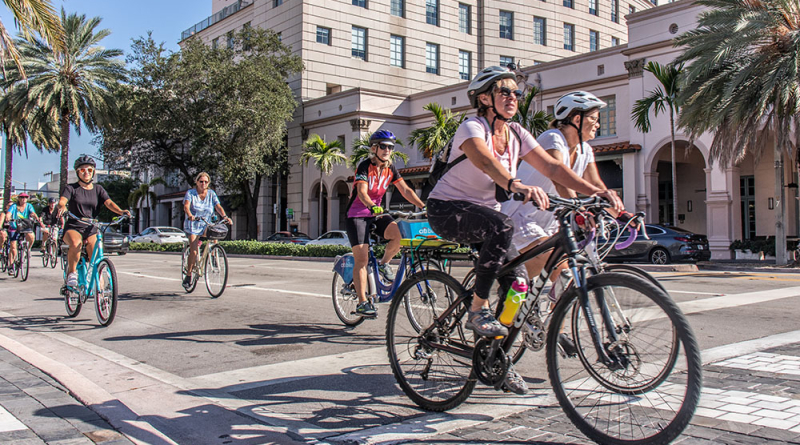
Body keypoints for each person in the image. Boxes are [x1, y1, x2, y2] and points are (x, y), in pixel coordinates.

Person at [426, 66, 622, 394]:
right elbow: (486, 162)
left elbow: (553, 166)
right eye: (504, 92)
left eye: (515, 92)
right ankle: (477, 309)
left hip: (486, 216)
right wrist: (515, 184)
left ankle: (495, 357)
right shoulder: (472, 127)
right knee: (502, 226)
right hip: (446, 210)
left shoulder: (517, 132)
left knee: (518, 285)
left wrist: (597, 192)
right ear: (484, 98)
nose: (513, 97)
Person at [501, 91, 635, 355]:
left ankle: (554, 330)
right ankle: (511, 314)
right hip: (520, 218)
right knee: (548, 271)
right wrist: (579, 210)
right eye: (594, 119)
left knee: (568, 276)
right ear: (575, 118)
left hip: (548, 223)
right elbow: (560, 177)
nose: (598, 123)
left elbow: (596, 185)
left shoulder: (585, 149)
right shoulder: (553, 139)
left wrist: (621, 213)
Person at [345, 130, 426, 318]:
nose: (387, 150)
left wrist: (423, 206)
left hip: (377, 214)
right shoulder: (365, 166)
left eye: (390, 147)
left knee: (399, 234)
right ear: (374, 148)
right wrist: (372, 206)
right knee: (362, 260)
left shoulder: (391, 169)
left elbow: (405, 189)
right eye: (383, 146)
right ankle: (362, 303)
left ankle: (383, 264)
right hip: (357, 215)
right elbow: (362, 192)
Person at [58, 156, 131, 287]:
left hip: (91, 227)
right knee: (76, 243)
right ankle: (72, 274)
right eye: (82, 170)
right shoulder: (71, 188)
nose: (86, 172)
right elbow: (63, 200)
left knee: (96, 251)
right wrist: (62, 206)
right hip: (74, 226)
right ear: (77, 172)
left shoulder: (98, 189)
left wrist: (121, 211)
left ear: (93, 172)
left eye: (89, 170)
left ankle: (98, 281)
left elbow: (108, 202)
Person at [183, 172, 232, 288]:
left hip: (206, 223)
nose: (203, 184)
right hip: (193, 225)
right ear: (197, 182)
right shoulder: (191, 193)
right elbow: (186, 206)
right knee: (194, 251)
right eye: (201, 181)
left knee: (215, 234)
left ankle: (214, 254)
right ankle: (189, 275)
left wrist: (225, 216)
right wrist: (190, 214)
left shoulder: (211, 194)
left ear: (208, 183)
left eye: (205, 182)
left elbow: (218, 206)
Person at [6, 192, 41, 275]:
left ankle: (27, 249)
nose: (24, 199)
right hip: (14, 227)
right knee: (13, 247)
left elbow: (32, 213)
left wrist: (35, 217)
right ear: (19, 198)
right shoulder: (14, 206)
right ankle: (11, 265)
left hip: (25, 227)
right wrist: (8, 217)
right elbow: (9, 213)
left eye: (25, 197)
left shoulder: (29, 206)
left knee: (31, 235)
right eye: (22, 197)